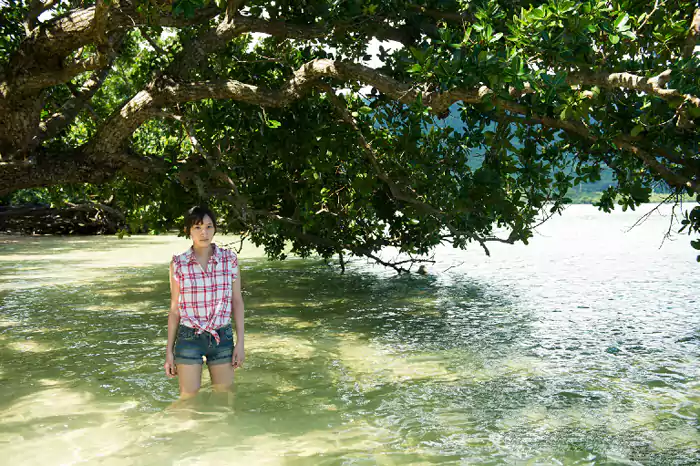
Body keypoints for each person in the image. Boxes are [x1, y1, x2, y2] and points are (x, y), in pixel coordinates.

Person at [164, 206, 245, 400]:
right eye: (198, 227)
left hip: (222, 336)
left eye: (209, 227)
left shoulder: (229, 259)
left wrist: (240, 343)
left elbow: (237, 302)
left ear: (215, 229)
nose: (204, 233)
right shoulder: (179, 263)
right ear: (188, 231)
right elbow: (174, 309)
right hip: (189, 337)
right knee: (188, 398)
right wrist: (169, 352)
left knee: (224, 398)